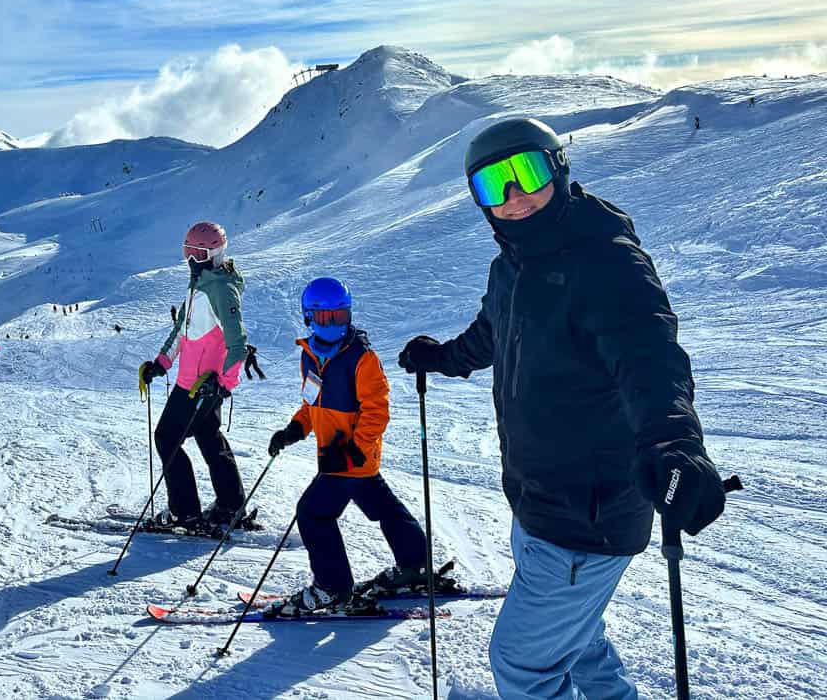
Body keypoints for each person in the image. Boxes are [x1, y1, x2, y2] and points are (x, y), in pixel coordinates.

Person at [398, 117, 725, 700]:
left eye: (527, 173)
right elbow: (491, 336)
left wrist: (672, 441)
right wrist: (441, 358)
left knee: (524, 665)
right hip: (538, 503)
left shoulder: (604, 261)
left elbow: (650, 356)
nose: (515, 197)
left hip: (587, 514)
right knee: (579, 643)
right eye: (493, 186)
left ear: (559, 169)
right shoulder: (511, 267)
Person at [266, 277, 429, 616]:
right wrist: (295, 429)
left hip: (349, 457)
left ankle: (333, 587)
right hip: (338, 456)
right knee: (382, 505)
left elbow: (377, 410)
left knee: (313, 513)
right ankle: (416, 566)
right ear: (309, 317)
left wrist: (355, 449)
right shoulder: (310, 356)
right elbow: (312, 402)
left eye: (340, 316)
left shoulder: (362, 358)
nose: (334, 324)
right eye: (326, 318)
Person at [138, 221, 247, 530]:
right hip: (196, 382)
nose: (190, 261)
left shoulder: (221, 290)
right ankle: (231, 505)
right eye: (188, 253)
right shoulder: (200, 285)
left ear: (213, 254)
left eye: (197, 254)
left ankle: (183, 512)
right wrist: (161, 362)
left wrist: (223, 385)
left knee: (166, 438)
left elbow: (238, 345)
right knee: (209, 438)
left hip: (199, 386)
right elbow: (181, 332)